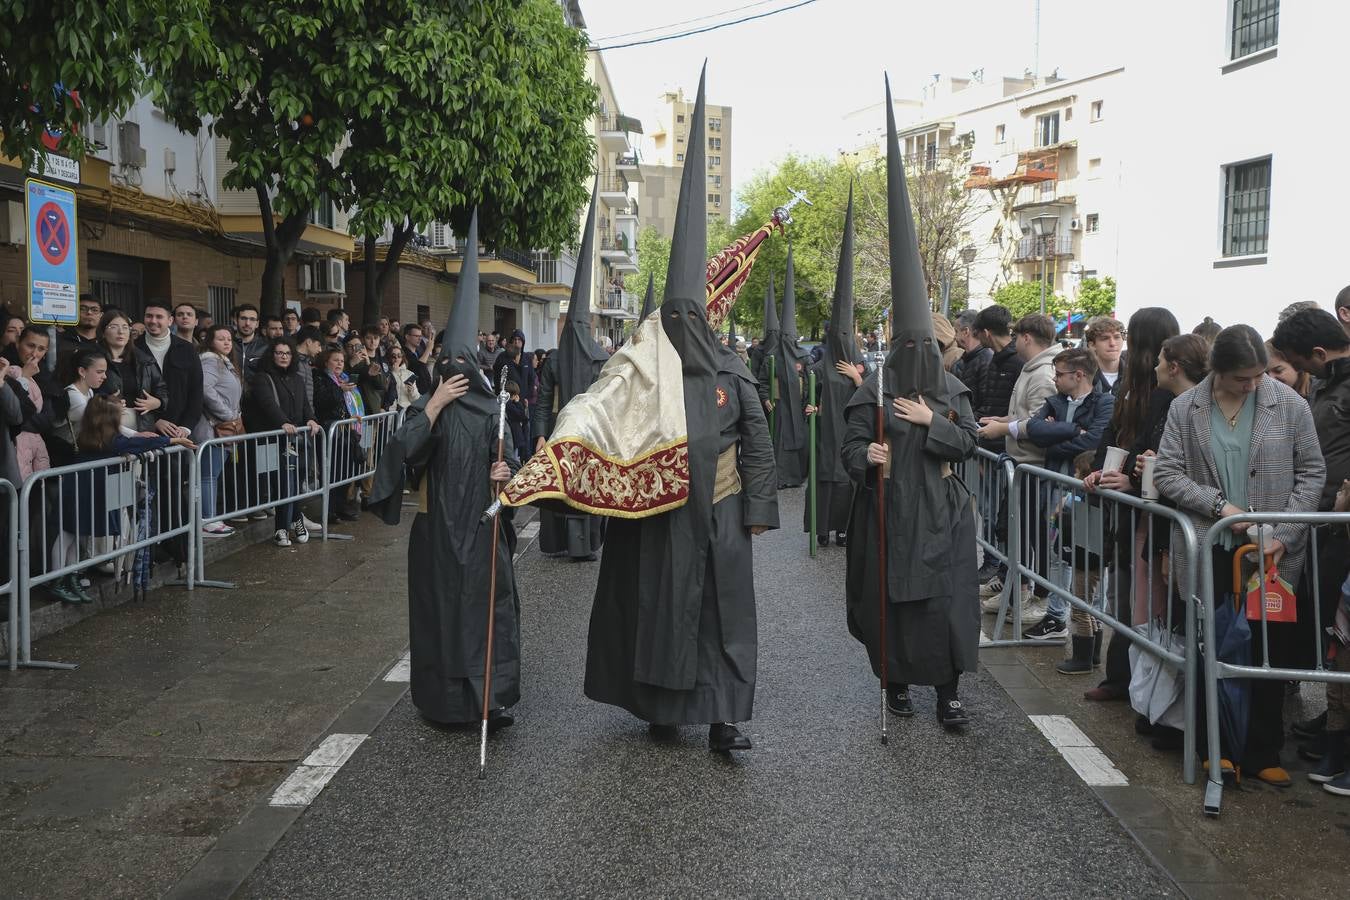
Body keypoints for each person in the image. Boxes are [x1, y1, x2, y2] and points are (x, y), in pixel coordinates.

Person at [581, 76, 777, 752]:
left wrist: (756, 509)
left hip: (718, 511)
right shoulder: (640, 370)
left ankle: (725, 721)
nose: (685, 326)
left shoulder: (731, 369)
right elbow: (602, 423)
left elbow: (757, 441)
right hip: (657, 517)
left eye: (694, 316)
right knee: (657, 611)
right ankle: (661, 708)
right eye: (676, 318)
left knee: (722, 617)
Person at [843, 95, 978, 728]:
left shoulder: (951, 393)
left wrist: (935, 424)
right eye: (910, 346)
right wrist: (863, 457)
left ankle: (948, 693)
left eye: (929, 347)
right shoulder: (870, 388)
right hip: (887, 512)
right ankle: (895, 680)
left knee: (946, 607)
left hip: (941, 514)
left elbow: (972, 444)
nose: (920, 355)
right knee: (892, 607)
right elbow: (847, 449)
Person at [368, 210, 522, 731]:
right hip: (436, 534)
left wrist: (507, 474)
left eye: (464, 367)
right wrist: (432, 405)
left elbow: (516, 466)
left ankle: (489, 699)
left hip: (482, 530)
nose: (457, 377)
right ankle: (442, 703)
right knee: (440, 617)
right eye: (447, 368)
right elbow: (401, 454)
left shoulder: (493, 412)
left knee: (485, 617)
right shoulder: (425, 408)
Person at [1153, 324, 1324, 787]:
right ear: (1217, 371)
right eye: (1241, 379)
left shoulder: (1289, 404)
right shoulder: (1185, 408)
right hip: (1211, 547)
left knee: (1268, 652)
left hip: (1271, 557)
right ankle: (1217, 748)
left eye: (1258, 376)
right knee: (1210, 647)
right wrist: (1220, 507)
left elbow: (1311, 474)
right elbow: (1167, 474)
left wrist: (1284, 533)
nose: (1252, 385)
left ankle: (1262, 750)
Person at [1079, 309, 1182, 703]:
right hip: (1124, 503)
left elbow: (1152, 447)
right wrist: (1098, 468)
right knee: (1122, 596)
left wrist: (1131, 478)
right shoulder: (1129, 383)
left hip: (1147, 509)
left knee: (1144, 602)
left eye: (1126, 335)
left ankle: (1139, 687)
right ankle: (1121, 678)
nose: (1118, 343)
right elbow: (1116, 436)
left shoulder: (1166, 392)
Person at [1270, 308, 1350, 756]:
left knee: (1336, 629)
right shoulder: (1323, 382)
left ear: (1318, 353)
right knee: (1316, 622)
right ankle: (1330, 721)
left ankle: (1336, 728)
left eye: (1302, 365)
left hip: (1339, 520)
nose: (1301, 376)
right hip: (1316, 516)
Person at [48, 396, 194, 604]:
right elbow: (135, 443)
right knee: (66, 537)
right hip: (79, 492)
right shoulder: (111, 441)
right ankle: (57, 580)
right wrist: (171, 440)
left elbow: (133, 442)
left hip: (77, 489)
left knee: (72, 537)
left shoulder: (90, 436)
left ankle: (70, 578)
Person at [531, 192, 609, 562]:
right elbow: (543, 400)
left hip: (591, 436)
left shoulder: (601, 360)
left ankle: (586, 542)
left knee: (586, 487)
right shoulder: (557, 360)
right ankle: (560, 541)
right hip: (561, 432)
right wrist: (541, 435)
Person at [976, 313, 1059, 625]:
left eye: (1017, 336)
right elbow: (1026, 417)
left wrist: (1004, 429)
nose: (1013, 341)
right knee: (1016, 532)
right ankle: (1020, 589)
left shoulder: (1042, 374)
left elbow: (1039, 423)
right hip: (1022, 465)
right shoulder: (1031, 370)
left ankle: (1039, 595)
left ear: (1026, 337)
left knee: (1034, 536)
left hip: (1034, 467)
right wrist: (1003, 423)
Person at [804, 184, 863, 548]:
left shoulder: (860, 364)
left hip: (849, 439)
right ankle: (822, 529)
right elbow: (817, 398)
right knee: (824, 480)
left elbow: (874, 398)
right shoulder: (821, 366)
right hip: (825, 438)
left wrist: (859, 379)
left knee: (845, 481)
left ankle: (845, 530)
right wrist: (813, 407)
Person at [250, 337, 321, 546]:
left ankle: (297, 519)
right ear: (272, 355)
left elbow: (306, 405)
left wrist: (311, 419)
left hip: (297, 439)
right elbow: (268, 404)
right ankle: (281, 527)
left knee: (296, 482)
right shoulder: (262, 378)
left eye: (287, 353)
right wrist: (283, 422)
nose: (283, 357)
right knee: (282, 485)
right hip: (274, 440)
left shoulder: (298, 379)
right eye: (279, 353)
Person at [1053, 451, 1107, 675]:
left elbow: (1062, 512)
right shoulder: (1087, 499)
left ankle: (1082, 658)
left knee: (1079, 606)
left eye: (1076, 471)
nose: (1072, 475)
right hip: (1089, 557)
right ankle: (1092, 655)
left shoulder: (1086, 500)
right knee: (1088, 604)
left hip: (1087, 559)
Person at [763, 250, 812, 488]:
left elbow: (813, 383)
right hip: (779, 408)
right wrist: (765, 398)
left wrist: (812, 402)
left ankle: (795, 476)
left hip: (800, 408)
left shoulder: (804, 356)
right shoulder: (771, 357)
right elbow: (762, 382)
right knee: (777, 442)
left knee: (799, 442)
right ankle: (778, 477)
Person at [194, 324, 245, 537]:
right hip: (211, 427)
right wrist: (228, 415)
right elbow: (206, 389)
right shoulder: (210, 360)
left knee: (213, 474)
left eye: (229, 339)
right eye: (220, 339)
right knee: (208, 476)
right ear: (210, 342)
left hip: (223, 426)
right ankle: (207, 519)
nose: (226, 342)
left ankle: (212, 517)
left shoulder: (224, 362)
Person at [96, 308, 166, 436]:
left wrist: (158, 402)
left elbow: (162, 389)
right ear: (103, 332)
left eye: (125, 327)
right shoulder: (94, 359)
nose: (120, 331)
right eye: (113, 327)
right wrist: (105, 401)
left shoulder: (144, 360)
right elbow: (86, 393)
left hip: (142, 426)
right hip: (108, 428)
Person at [313, 346, 364, 524]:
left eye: (342, 361)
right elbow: (322, 402)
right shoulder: (320, 378)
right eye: (335, 360)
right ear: (326, 362)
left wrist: (353, 416)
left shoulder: (344, 378)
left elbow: (346, 404)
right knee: (330, 470)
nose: (339, 364)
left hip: (344, 430)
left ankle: (342, 506)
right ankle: (329, 510)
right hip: (328, 430)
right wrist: (339, 390)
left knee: (345, 470)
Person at [138, 300, 202, 440]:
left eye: (159, 317)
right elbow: (130, 393)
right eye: (149, 316)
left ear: (170, 320)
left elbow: (196, 391)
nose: (153, 321)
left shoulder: (187, 349)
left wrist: (186, 427)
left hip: (180, 431)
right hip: (145, 432)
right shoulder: (133, 348)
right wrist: (155, 421)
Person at [951, 308, 992, 401]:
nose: (954, 337)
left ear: (966, 331)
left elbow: (986, 404)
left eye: (956, 331)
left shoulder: (988, 361)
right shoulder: (958, 363)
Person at [1084, 315, 1125, 394]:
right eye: (1105, 338)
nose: (1112, 344)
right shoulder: (1083, 377)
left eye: (1117, 337)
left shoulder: (1135, 375)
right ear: (1092, 345)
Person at [233, 304, 267, 372]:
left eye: (252, 319)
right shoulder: (226, 344)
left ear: (257, 324)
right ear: (236, 321)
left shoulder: (265, 347)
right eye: (243, 318)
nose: (247, 323)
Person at [388, 344, 420, 411]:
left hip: (405, 411)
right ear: (389, 357)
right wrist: (394, 372)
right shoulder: (386, 372)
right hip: (391, 410)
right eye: (393, 356)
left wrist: (412, 391)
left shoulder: (409, 374)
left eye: (399, 356)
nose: (396, 358)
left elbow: (416, 399)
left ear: (402, 358)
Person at [402, 323, 431, 394]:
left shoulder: (419, 352)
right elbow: (417, 368)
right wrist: (428, 349)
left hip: (425, 392)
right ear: (407, 337)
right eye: (416, 336)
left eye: (420, 336)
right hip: (413, 394)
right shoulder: (403, 353)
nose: (420, 339)